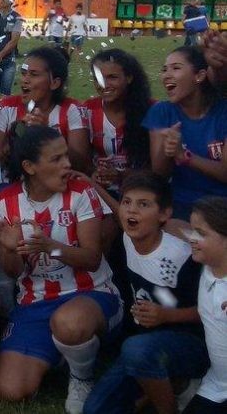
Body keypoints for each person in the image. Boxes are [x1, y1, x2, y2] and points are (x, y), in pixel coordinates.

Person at [0, 126, 121, 414]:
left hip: (91, 293)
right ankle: (67, 353)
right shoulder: (4, 202)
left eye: (66, 157)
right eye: (57, 159)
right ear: (30, 167)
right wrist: (10, 249)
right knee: (12, 390)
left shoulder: (81, 191)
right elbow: (12, 272)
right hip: (35, 301)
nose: (68, 165)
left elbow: (92, 258)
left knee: (70, 323)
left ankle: (81, 377)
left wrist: (50, 247)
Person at [84, 171, 207, 414]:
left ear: (164, 214)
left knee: (135, 349)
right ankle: (165, 384)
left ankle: (179, 392)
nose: (131, 211)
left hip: (191, 343)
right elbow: (120, 214)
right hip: (147, 343)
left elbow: (211, 311)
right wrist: (91, 184)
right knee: (96, 409)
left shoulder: (184, 255)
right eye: (127, 202)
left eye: (143, 205)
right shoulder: (129, 237)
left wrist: (165, 316)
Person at [144, 47, 227, 227]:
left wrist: (185, 156)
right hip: (182, 206)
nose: (166, 75)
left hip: (222, 207)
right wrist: (168, 149)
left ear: (199, 76)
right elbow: (159, 175)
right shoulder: (161, 112)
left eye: (176, 68)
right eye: (164, 69)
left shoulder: (223, 112)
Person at [0, 46, 91, 175]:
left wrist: (46, 133)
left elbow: (81, 165)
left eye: (33, 74)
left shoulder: (71, 110)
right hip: (14, 185)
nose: (24, 80)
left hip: (59, 184)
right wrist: (18, 133)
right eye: (23, 73)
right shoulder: (8, 107)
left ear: (54, 83)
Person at [83, 49, 152, 203]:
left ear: (129, 77)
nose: (104, 85)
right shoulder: (86, 110)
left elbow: (159, 170)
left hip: (142, 191)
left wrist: (122, 175)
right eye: (98, 78)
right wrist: (94, 173)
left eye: (112, 77)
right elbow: (81, 161)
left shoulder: (152, 110)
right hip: (100, 192)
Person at [183, 196, 227, 413]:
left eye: (200, 234)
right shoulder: (205, 267)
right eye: (192, 230)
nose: (191, 238)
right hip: (216, 386)